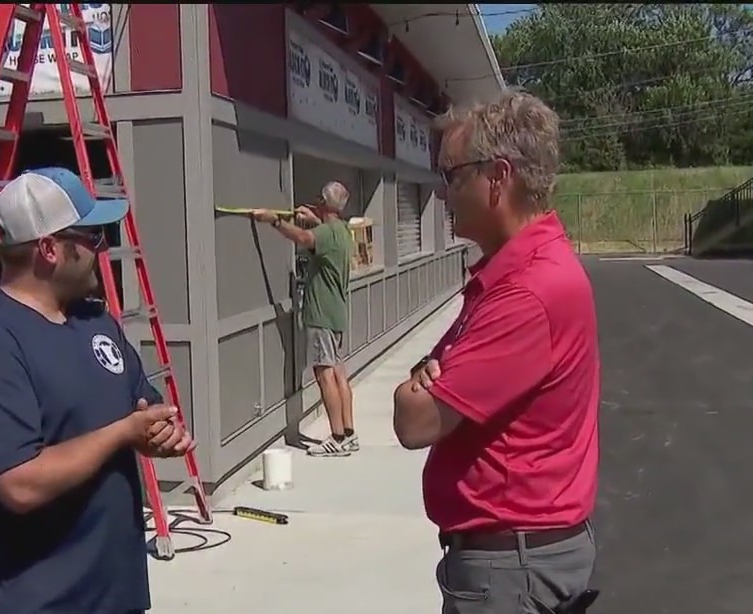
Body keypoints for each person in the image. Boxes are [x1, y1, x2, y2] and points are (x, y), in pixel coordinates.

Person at [0, 167, 195, 614]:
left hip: (117, 594)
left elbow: (139, 402)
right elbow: (20, 483)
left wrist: (158, 432)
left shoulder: (95, 321)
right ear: (50, 249)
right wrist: (124, 433)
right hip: (41, 601)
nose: (103, 249)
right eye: (93, 237)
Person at [391, 92, 600, 613]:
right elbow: (429, 381)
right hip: (515, 560)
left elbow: (414, 421)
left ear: (498, 177)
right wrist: (425, 374)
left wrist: (417, 385)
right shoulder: (512, 275)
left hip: (510, 570)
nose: (442, 194)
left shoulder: (526, 293)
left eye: (452, 175)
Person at [251, 181, 356, 457]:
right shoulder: (343, 231)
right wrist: (312, 218)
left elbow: (304, 239)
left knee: (324, 375)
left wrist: (274, 221)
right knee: (338, 373)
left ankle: (336, 437)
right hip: (337, 313)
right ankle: (348, 434)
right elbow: (320, 236)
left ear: (322, 202)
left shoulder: (325, 233)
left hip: (321, 314)